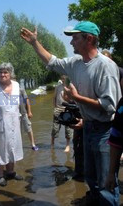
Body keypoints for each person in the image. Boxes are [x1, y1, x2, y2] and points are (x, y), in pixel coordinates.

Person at [21, 21, 121, 205]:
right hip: (88, 126)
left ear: (89, 39)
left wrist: (77, 97)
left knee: (106, 183)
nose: (71, 42)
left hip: (105, 132)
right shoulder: (75, 63)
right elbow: (52, 61)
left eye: (75, 38)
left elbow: (109, 106)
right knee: (90, 178)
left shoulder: (105, 67)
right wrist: (35, 42)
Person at [51, 75, 73, 152]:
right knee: (55, 128)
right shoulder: (57, 87)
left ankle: (67, 145)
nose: (63, 80)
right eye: (62, 79)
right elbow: (54, 98)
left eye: (65, 79)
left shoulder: (71, 87)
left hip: (67, 109)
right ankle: (52, 144)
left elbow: (72, 99)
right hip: (58, 109)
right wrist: (55, 107)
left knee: (68, 129)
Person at [19, 84, 39, 151]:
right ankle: (19, 146)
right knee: (17, 131)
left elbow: (27, 100)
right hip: (14, 115)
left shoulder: (21, 89)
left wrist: (29, 111)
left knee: (29, 128)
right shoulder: (8, 90)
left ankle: (33, 144)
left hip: (23, 113)